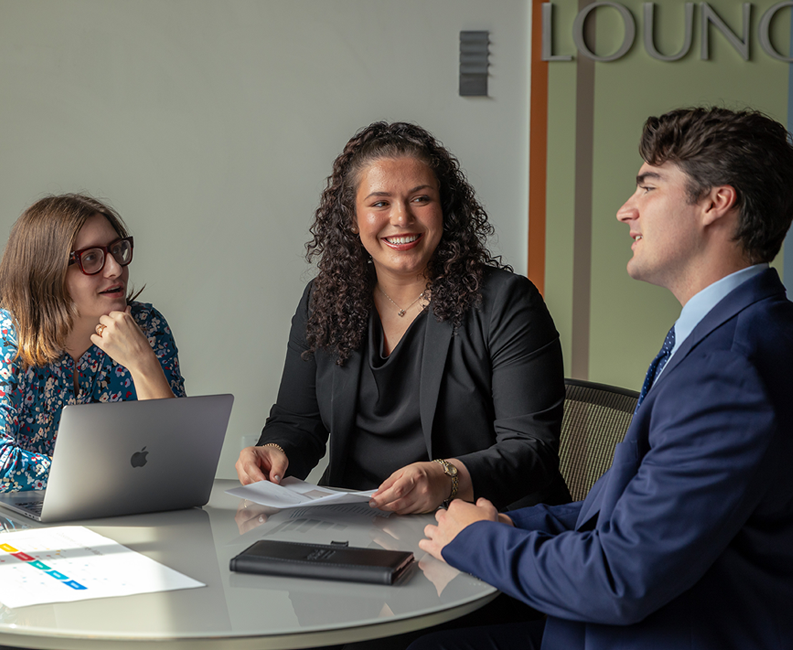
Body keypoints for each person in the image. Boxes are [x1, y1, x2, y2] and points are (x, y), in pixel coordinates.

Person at [415, 107, 793, 650]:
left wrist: (477, 541)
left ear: (716, 203)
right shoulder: (746, 333)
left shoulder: (727, 372)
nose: (625, 210)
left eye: (648, 187)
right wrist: (509, 525)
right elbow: (629, 512)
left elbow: (618, 579)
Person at [237, 121, 570, 515]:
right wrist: (273, 452)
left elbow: (531, 450)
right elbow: (297, 422)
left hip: (482, 526)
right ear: (351, 218)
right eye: (380, 203)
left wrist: (447, 477)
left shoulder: (506, 302)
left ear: (445, 208)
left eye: (421, 199)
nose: (401, 218)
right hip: (357, 524)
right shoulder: (324, 301)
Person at [0, 194, 185, 494]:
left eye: (118, 250)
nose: (115, 268)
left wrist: (143, 364)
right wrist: (114, 474)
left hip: (115, 513)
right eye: (91, 258)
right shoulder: (5, 333)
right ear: (48, 272)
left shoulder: (146, 327)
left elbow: (179, 464)